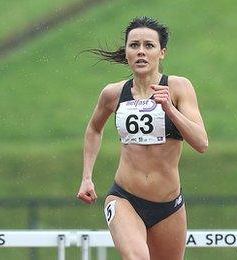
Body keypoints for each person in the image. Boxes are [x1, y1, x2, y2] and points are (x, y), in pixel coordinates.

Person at [76, 16, 208, 260]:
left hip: (168, 205)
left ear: (162, 53)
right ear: (126, 51)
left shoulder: (178, 88)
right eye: (134, 45)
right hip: (125, 197)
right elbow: (94, 129)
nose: (141, 52)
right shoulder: (113, 93)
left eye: (149, 46)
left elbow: (201, 143)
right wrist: (86, 177)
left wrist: (170, 109)